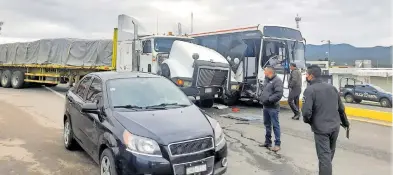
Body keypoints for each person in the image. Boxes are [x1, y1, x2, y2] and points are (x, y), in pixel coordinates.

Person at [302, 65, 350, 175]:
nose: (305, 76)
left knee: (324, 158)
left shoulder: (309, 90)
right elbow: (341, 109)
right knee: (328, 156)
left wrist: (310, 122)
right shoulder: (332, 88)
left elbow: (306, 113)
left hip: (321, 129)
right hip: (335, 127)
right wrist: (346, 123)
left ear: (311, 76)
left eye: (306, 74)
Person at [259, 66, 284, 152]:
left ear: (269, 72)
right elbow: (264, 91)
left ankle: (277, 144)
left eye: (265, 71)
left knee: (275, 125)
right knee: (267, 124)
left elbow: (278, 94)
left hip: (273, 107)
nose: (264, 72)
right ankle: (267, 142)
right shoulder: (267, 80)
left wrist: (269, 100)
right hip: (265, 106)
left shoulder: (277, 81)